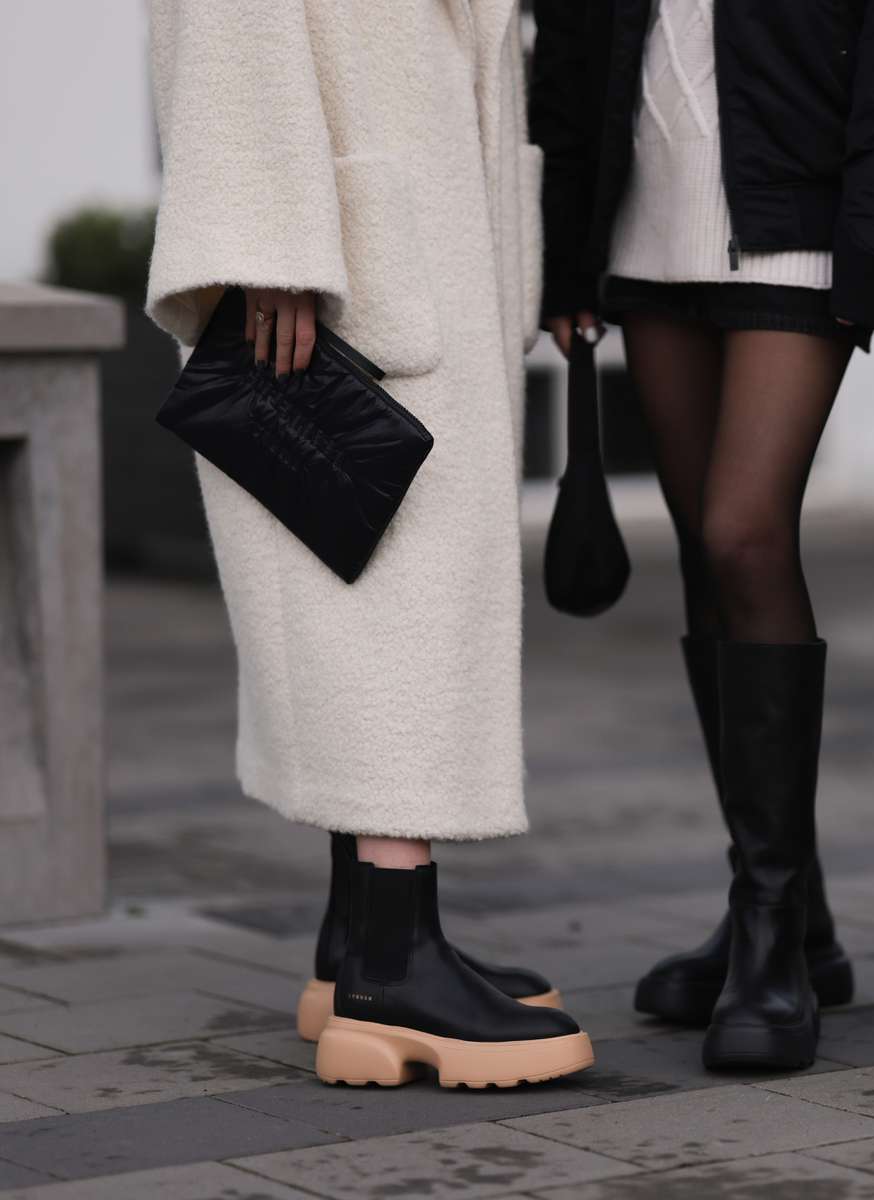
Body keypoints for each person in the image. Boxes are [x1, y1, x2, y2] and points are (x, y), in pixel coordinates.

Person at [144, 0, 592, 1089]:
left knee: (387, 602)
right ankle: (392, 969)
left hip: (407, 243)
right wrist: (269, 242)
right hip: (334, 265)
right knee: (385, 612)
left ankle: (358, 937)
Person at [531, 0, 874, 1070]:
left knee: (742, 536)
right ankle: (785, 915)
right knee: (705, 556)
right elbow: (574, 51)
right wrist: (566, 258)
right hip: (647, 227)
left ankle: (772, 925)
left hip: (798, 225)